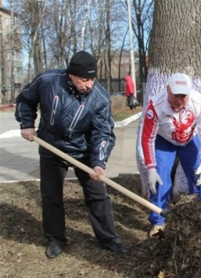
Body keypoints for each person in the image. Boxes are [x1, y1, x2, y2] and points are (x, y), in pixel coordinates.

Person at [14, 51, 127, 258]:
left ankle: (109, 239)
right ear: (71, 75)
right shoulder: (48, 81)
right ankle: (56, 238)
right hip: (51, 146)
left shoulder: (99, 98)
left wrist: (98, 163)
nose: (89, 84)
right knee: (51, 195)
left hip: (83, 152)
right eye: (85, 79)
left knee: (97, 195)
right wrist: (27, 123)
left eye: (93, 79)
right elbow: (25, 99)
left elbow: (103, 133)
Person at [140, 72, 201, 236]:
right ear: (167, 90)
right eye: (176, 96)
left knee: (200, 177)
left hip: (189, 139)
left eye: (183, 96)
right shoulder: (155, 105)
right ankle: (158, 222)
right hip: (164, 140)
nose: (180, 101)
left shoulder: (199, 102)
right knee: (160, 178)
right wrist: (151, 169)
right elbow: (147, 138)